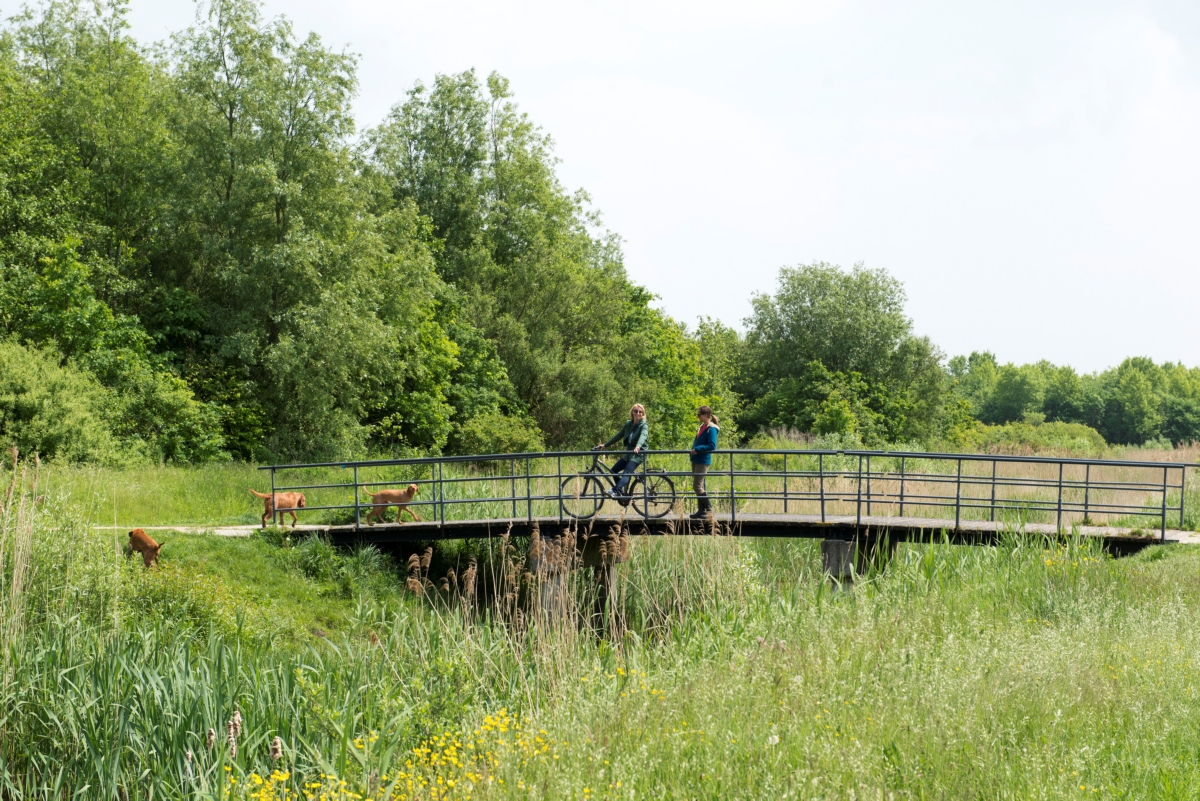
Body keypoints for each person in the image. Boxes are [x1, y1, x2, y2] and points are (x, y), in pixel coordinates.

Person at [597, 404, 649, 500]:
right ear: (632, 412)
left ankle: (615, 490)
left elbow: (643, 436)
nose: (638, 413)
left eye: (640, 412)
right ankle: (620, 492)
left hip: (638, 453)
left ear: (643, 414)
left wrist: (638, 446)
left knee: (627, 473)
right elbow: (618, 435)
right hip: (629, 453)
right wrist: (605, 445)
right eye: (636, 411)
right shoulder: (628, 424)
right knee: (614, 470)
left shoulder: (644, 425)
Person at [689, 406, 719, 519]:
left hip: (702, 460)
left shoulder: (711, 428)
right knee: (699, 486)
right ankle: (701, 511)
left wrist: (698, 449)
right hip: (696, 459)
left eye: (699, 414)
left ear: (706, 415)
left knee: (697, 486)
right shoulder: (703, 426)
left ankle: (710, 510)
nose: (698, 417)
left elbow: (712, 445)